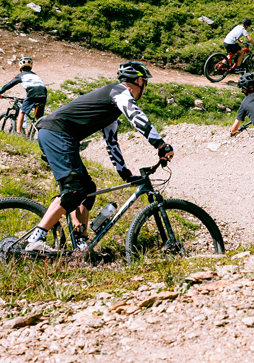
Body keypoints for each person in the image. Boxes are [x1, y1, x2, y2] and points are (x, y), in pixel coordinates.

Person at [20, 60, 174, 255]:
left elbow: (111, 144)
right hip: (57, 133)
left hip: (58, 135)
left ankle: (81, 246)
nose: (145, 88)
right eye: (145, 83)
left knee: (87, 189)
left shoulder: (112, 108)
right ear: (138, 81)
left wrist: (125, 174)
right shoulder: (119, 92)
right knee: (75, 189)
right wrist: (160, 145)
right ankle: (35, 239)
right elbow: (136, 117)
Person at [0, 57, 48, 133]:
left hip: (32, 92)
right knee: (38, 116)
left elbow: (9, 84)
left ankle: (18, 132)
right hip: (43, 93)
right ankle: (43, 133)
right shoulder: (35, 75)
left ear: (20, 67)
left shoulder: (21, 75)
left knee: (22, 112)